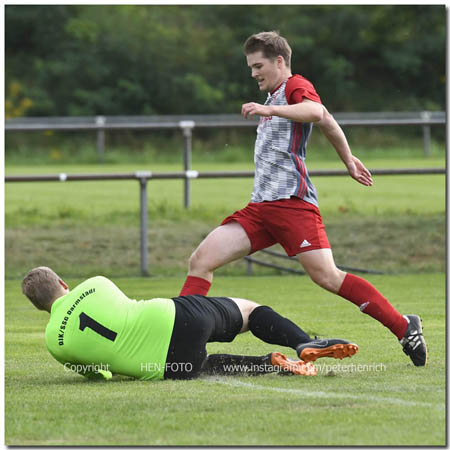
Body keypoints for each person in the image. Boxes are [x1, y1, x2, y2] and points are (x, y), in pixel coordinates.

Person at [178, 31, 427, 367]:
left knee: (327, 277)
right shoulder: (275, 98)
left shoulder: (294, 85)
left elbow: (315, 111)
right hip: (260, 208)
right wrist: (349, 159)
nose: (253, 73)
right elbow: (328, 120)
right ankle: (178, 336)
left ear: (279, 61)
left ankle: (403, 326)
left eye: (258, 65)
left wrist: (273, 111)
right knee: (201, 261)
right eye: (250, 67)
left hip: (293, 204)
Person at [21, 266, 360, 380]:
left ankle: (270, 364)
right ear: (64, 283)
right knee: (249, 312)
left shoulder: (54, 342)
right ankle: (301, 343)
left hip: (162, 365)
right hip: (176, 317)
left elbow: (99, 373)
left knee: (205, 365)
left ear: (39, 307)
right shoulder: (95, 283)